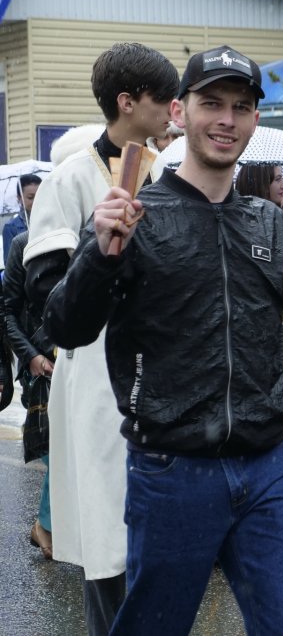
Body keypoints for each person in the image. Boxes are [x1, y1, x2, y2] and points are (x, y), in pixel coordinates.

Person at [41, 45, 283, 636]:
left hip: (267, 464)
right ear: (180, 110)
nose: (227, 119)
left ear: (254, 121)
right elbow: (65, 327)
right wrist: (99, 253)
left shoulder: (269, 221)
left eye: (242, 107)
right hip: (171, 469)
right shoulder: (137, 215)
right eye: (212, 103)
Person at [23, 42, 178, 635]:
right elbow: (46, 293)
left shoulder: (170, 176)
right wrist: (101, 245)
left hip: (166, 364)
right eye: (163, 99)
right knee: (106, 534)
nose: (172, 109)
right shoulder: (69, 179)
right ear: (126, 102)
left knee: (164, 530)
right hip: (93, 375)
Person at [4, 230, 55, 560]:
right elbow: (7, 310)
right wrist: (31, 356)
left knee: (70, 450)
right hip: (41, 365)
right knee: (55, 450)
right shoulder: (24, 243)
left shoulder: (90, 236)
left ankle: (48, 525)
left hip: (79, 360)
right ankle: (46, 525)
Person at [3, 174, 40, 256]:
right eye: (30, 197)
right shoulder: (11, 227)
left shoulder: (51, 221)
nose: (36, 201)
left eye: (39, 196)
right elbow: (10, 264)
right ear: (19, 198)